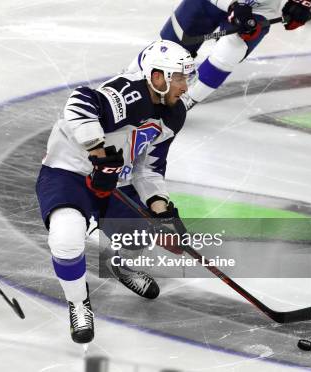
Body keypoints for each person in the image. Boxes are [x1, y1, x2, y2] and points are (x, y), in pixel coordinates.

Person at [35, 40, 195, 344]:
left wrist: (162, 211)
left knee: (142, 235)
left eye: (187, 77)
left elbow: (149, 168)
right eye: (179, 78)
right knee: (66, 237)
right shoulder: (128, 92)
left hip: (115, 182)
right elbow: (79, 101)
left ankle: (116, 263)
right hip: (70, 173)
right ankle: (79, 302)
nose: (185, 87)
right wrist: (97, 151)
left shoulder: (174, 115)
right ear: (157, 77)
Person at [159, 0, 311, 109]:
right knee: (168, 49)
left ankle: (183, 103)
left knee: (232, 48)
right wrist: (233, 4)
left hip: (261, 6)